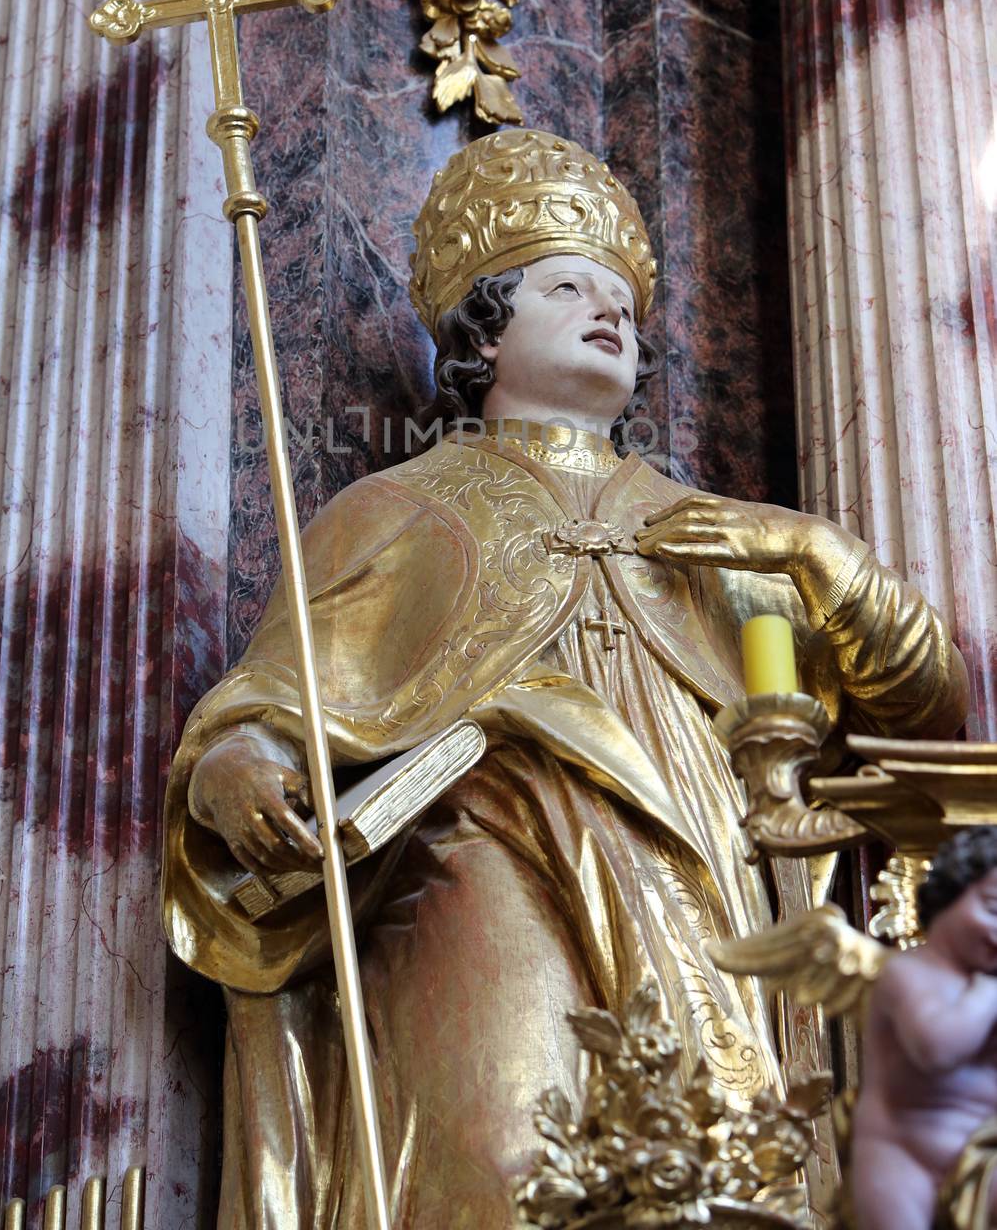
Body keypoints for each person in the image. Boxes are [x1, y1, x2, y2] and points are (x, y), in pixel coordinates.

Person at [161, 129, 968, 1230]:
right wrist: (242, 766)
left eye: (623, 301)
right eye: (564, 286)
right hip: (471, 857)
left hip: (701, 881)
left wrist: (833, 572)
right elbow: (272, 697)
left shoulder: (734, 534)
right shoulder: (394, 511)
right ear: (484, 330)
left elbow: (932, 724)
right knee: (503, 1149)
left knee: (720, 1169)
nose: (607, 311)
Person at [853, 827, 997, 1230]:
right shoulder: (910, 973)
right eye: (993, 909)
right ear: (950, 896)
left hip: (982, 1156)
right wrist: (986, 994)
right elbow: (937, 1048)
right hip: (903, 1157)